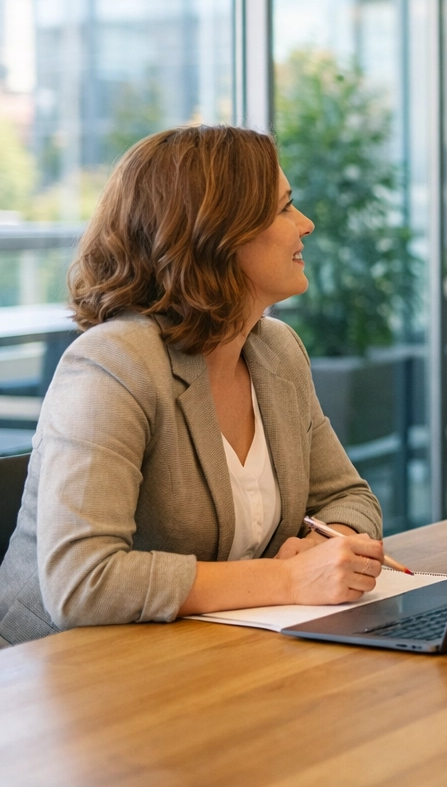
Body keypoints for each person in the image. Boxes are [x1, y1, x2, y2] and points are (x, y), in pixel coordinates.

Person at [0, 126, 385, 646]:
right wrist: (285, 578)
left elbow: (348, 496)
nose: (306, 225)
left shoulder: (277, 351)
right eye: (283, 209)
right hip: (60, 679)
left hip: (204, 654)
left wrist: (329, 546)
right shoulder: (112, 364)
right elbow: (82, 583)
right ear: (215, 235)